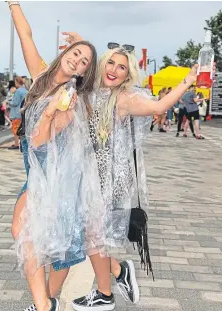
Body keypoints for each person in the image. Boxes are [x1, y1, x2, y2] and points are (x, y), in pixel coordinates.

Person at [58, 32, 203, 311]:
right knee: (87, 235)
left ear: (127, 75)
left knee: (91, 235)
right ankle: (116, 273)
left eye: (121, 67)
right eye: (110, 63)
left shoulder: (124, 99)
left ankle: (106, 291)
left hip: (109, 180)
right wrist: (80, 45)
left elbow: (160, 106)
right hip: (87, 177)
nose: (114, 70)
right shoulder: (88, 91)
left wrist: (187, 80)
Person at [7, 2, 98, 311]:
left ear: (86, 71)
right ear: (65, 53)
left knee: (58, 240)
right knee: (24, 231)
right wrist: (14, 4)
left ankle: (45, 303)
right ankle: (45, 303)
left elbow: (42, 139)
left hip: (57, 174)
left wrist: (49, 113)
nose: (77, 61)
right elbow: (26, 37)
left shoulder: (72, 99)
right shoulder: (41, 77)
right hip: (35, 170)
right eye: (75, 53)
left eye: (84, 61)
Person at [8, 76, 27, 149]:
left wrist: (8, 102)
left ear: (17, 82)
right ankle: (21, 144)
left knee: (16, 129)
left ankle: (16, 144)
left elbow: (15, 103)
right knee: (21, 130)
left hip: (16, 113)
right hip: (23, 113)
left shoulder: (18, 91)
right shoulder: (25, 90)